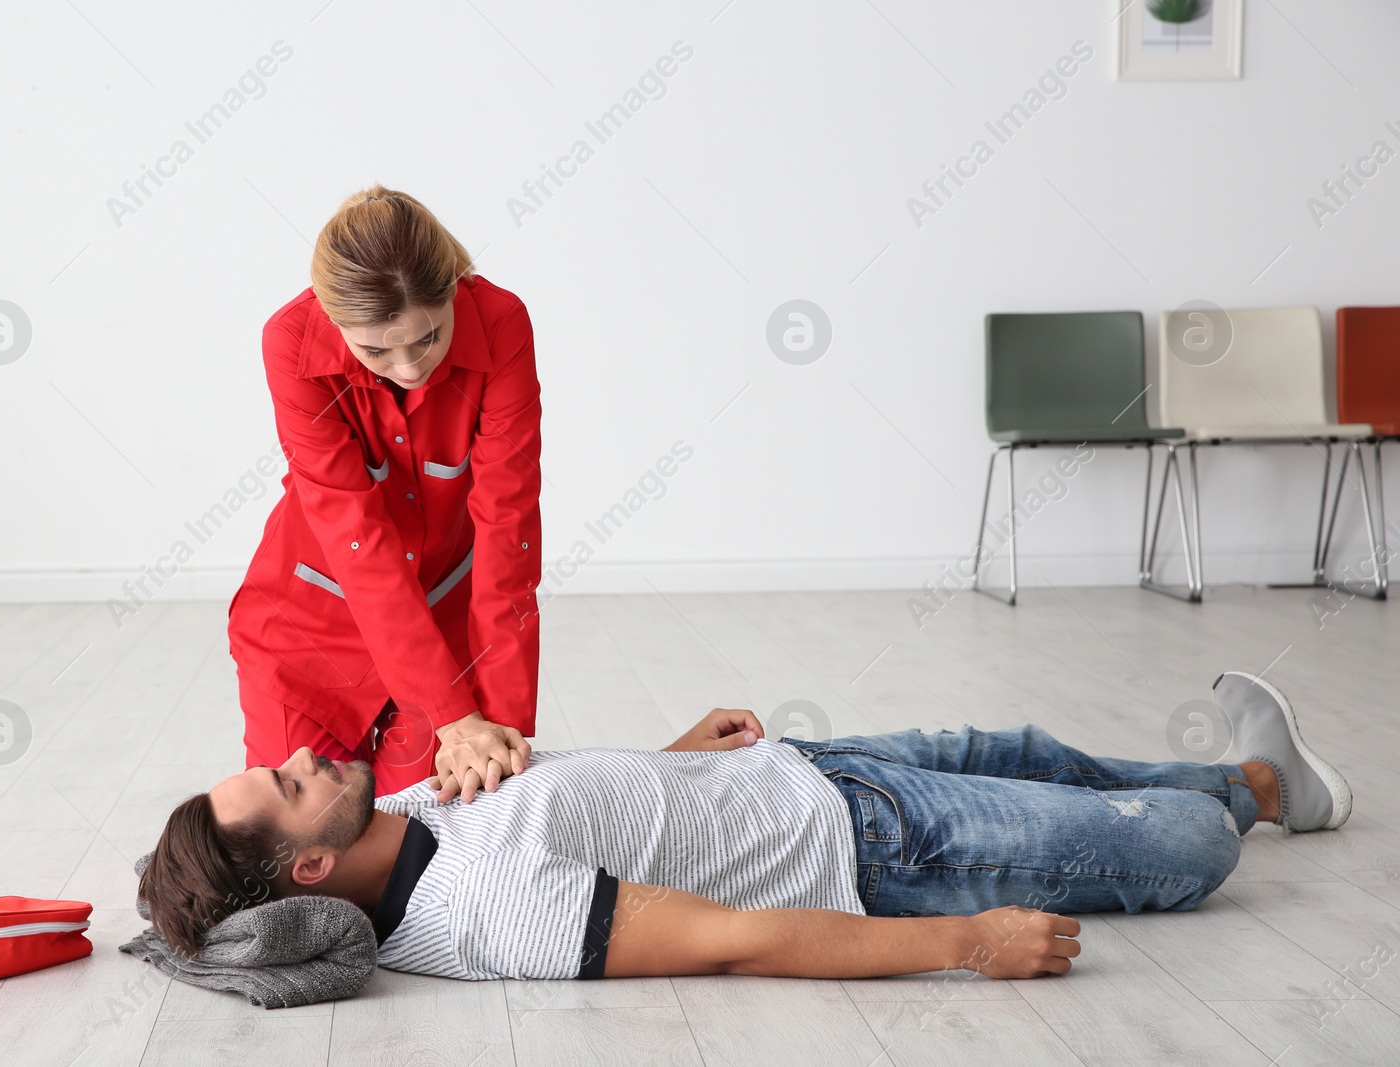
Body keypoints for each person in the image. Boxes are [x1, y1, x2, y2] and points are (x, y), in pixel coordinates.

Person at [138, 671, 1351, 981]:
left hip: (796, 769)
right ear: (307, 863)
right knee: (1181, 850)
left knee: (1030, 749)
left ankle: (1266, 778)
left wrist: (674, 754)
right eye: (287, 782)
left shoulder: (391, 819)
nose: (304, 754)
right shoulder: (481, 908)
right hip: (880, 849)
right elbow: (732, 938)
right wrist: (967, 943)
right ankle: (1240, 799)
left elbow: (570, 805)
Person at [227, 185, 540, 803]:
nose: (408, 367)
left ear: (453, 289)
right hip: (308, 636)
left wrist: (499, 734)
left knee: (437, 827)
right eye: (375, 349)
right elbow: (356, 536)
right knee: (303, 847)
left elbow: (509, 526)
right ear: (330, 316)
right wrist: (452, 715)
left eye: (427, 337)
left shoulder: (502, 323)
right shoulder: (290, 342)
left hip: (446, 632)